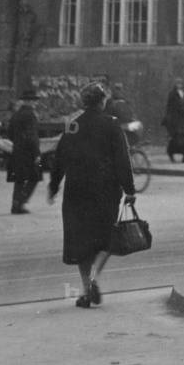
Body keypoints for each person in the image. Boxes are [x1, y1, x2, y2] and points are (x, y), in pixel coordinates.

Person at [48, 83, 136, 308]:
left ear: (84, 102)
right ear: (102, 101)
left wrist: (54, 186)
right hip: (105, 190)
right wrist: (129, 189)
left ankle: (87, 290)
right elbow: (122, 159)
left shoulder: (73, 126)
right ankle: (95, 276)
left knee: (81, 241)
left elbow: (60, 158)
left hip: (76, 191)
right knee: (107, 238)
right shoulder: (111, 124)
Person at [6, 90, 41, 214]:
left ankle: (15, 205)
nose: (36, 103)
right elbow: (32, 136)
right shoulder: (31, 115)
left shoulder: (16, 114)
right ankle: (21, 202)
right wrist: (36, 153)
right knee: (35, 177)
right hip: (29, 151)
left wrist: (18, 142)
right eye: (34, 101)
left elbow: (9, 133)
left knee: (19, 179)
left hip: (17, 150)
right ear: (30, 102)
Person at [162, 79, 184, 162]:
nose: (179, 85)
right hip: (177, 121)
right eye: (178, 83)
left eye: (180, 83)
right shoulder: (173, 94)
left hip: (183, 121)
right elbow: (175, 107)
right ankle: (173, 155)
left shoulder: (182, 93)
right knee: (178, 139)